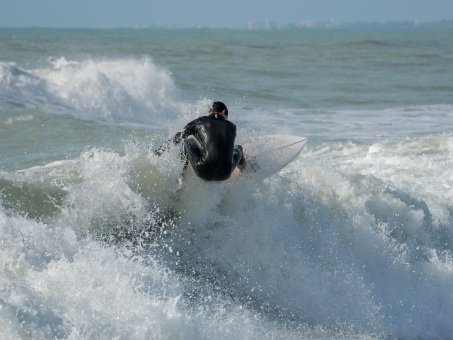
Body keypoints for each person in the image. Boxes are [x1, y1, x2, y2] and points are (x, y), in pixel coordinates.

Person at [155, 101, 246, 181]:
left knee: (187, 141)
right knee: (238, 148)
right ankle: (244, 173)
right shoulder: (232, 126)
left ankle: (180, 180)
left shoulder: (199, 121)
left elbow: (180, 136)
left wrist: (161, 150)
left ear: (210, 112)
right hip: (225, 173)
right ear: (223, 112)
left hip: (203, 170)